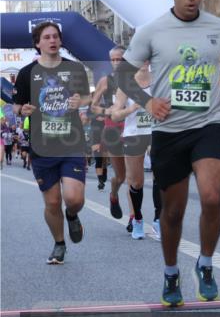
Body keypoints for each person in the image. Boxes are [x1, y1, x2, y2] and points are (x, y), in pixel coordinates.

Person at [116, 0, 220, 307]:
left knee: (212, 197)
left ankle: (205, 264)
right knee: (171, 213)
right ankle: (171, 272)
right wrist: (146, 102)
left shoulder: (218, 27)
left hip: (209, 124)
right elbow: (124, 75)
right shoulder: (151, 31)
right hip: (169, 131)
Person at [12, 21, 91, 265]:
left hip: (71, 142)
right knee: (52, 201)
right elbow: (16, 106)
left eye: (55, 36)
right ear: (38, 43)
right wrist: (22, 109)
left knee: (74, 198)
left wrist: (82, 101)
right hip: (42, 145)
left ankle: (72, 214)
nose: (52, 40)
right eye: (46, 37)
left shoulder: (74, 69)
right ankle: (59, 243)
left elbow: (87, 96)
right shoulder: (27, 73)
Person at [109, 60, 158, 240]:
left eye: (148, 58)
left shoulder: (159, 80)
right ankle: (137, 219)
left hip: (156, 132)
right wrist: (131, 108)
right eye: (141, 58)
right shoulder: (126, 84)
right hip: (134, 134)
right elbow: (115, 115)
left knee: (160, 176)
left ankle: (158, 220)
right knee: (136, 182)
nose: (144, 62)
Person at [90, 46, 128, 220]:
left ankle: (135, 218)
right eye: (112, 60)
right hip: (113, 130)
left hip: (134, 129)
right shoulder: (106, 81)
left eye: (119, 59)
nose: (115, 63)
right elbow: (93, 107)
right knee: (120, 177)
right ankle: (113, 195)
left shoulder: (137, 79)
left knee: (135, 180)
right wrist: (108, 112)